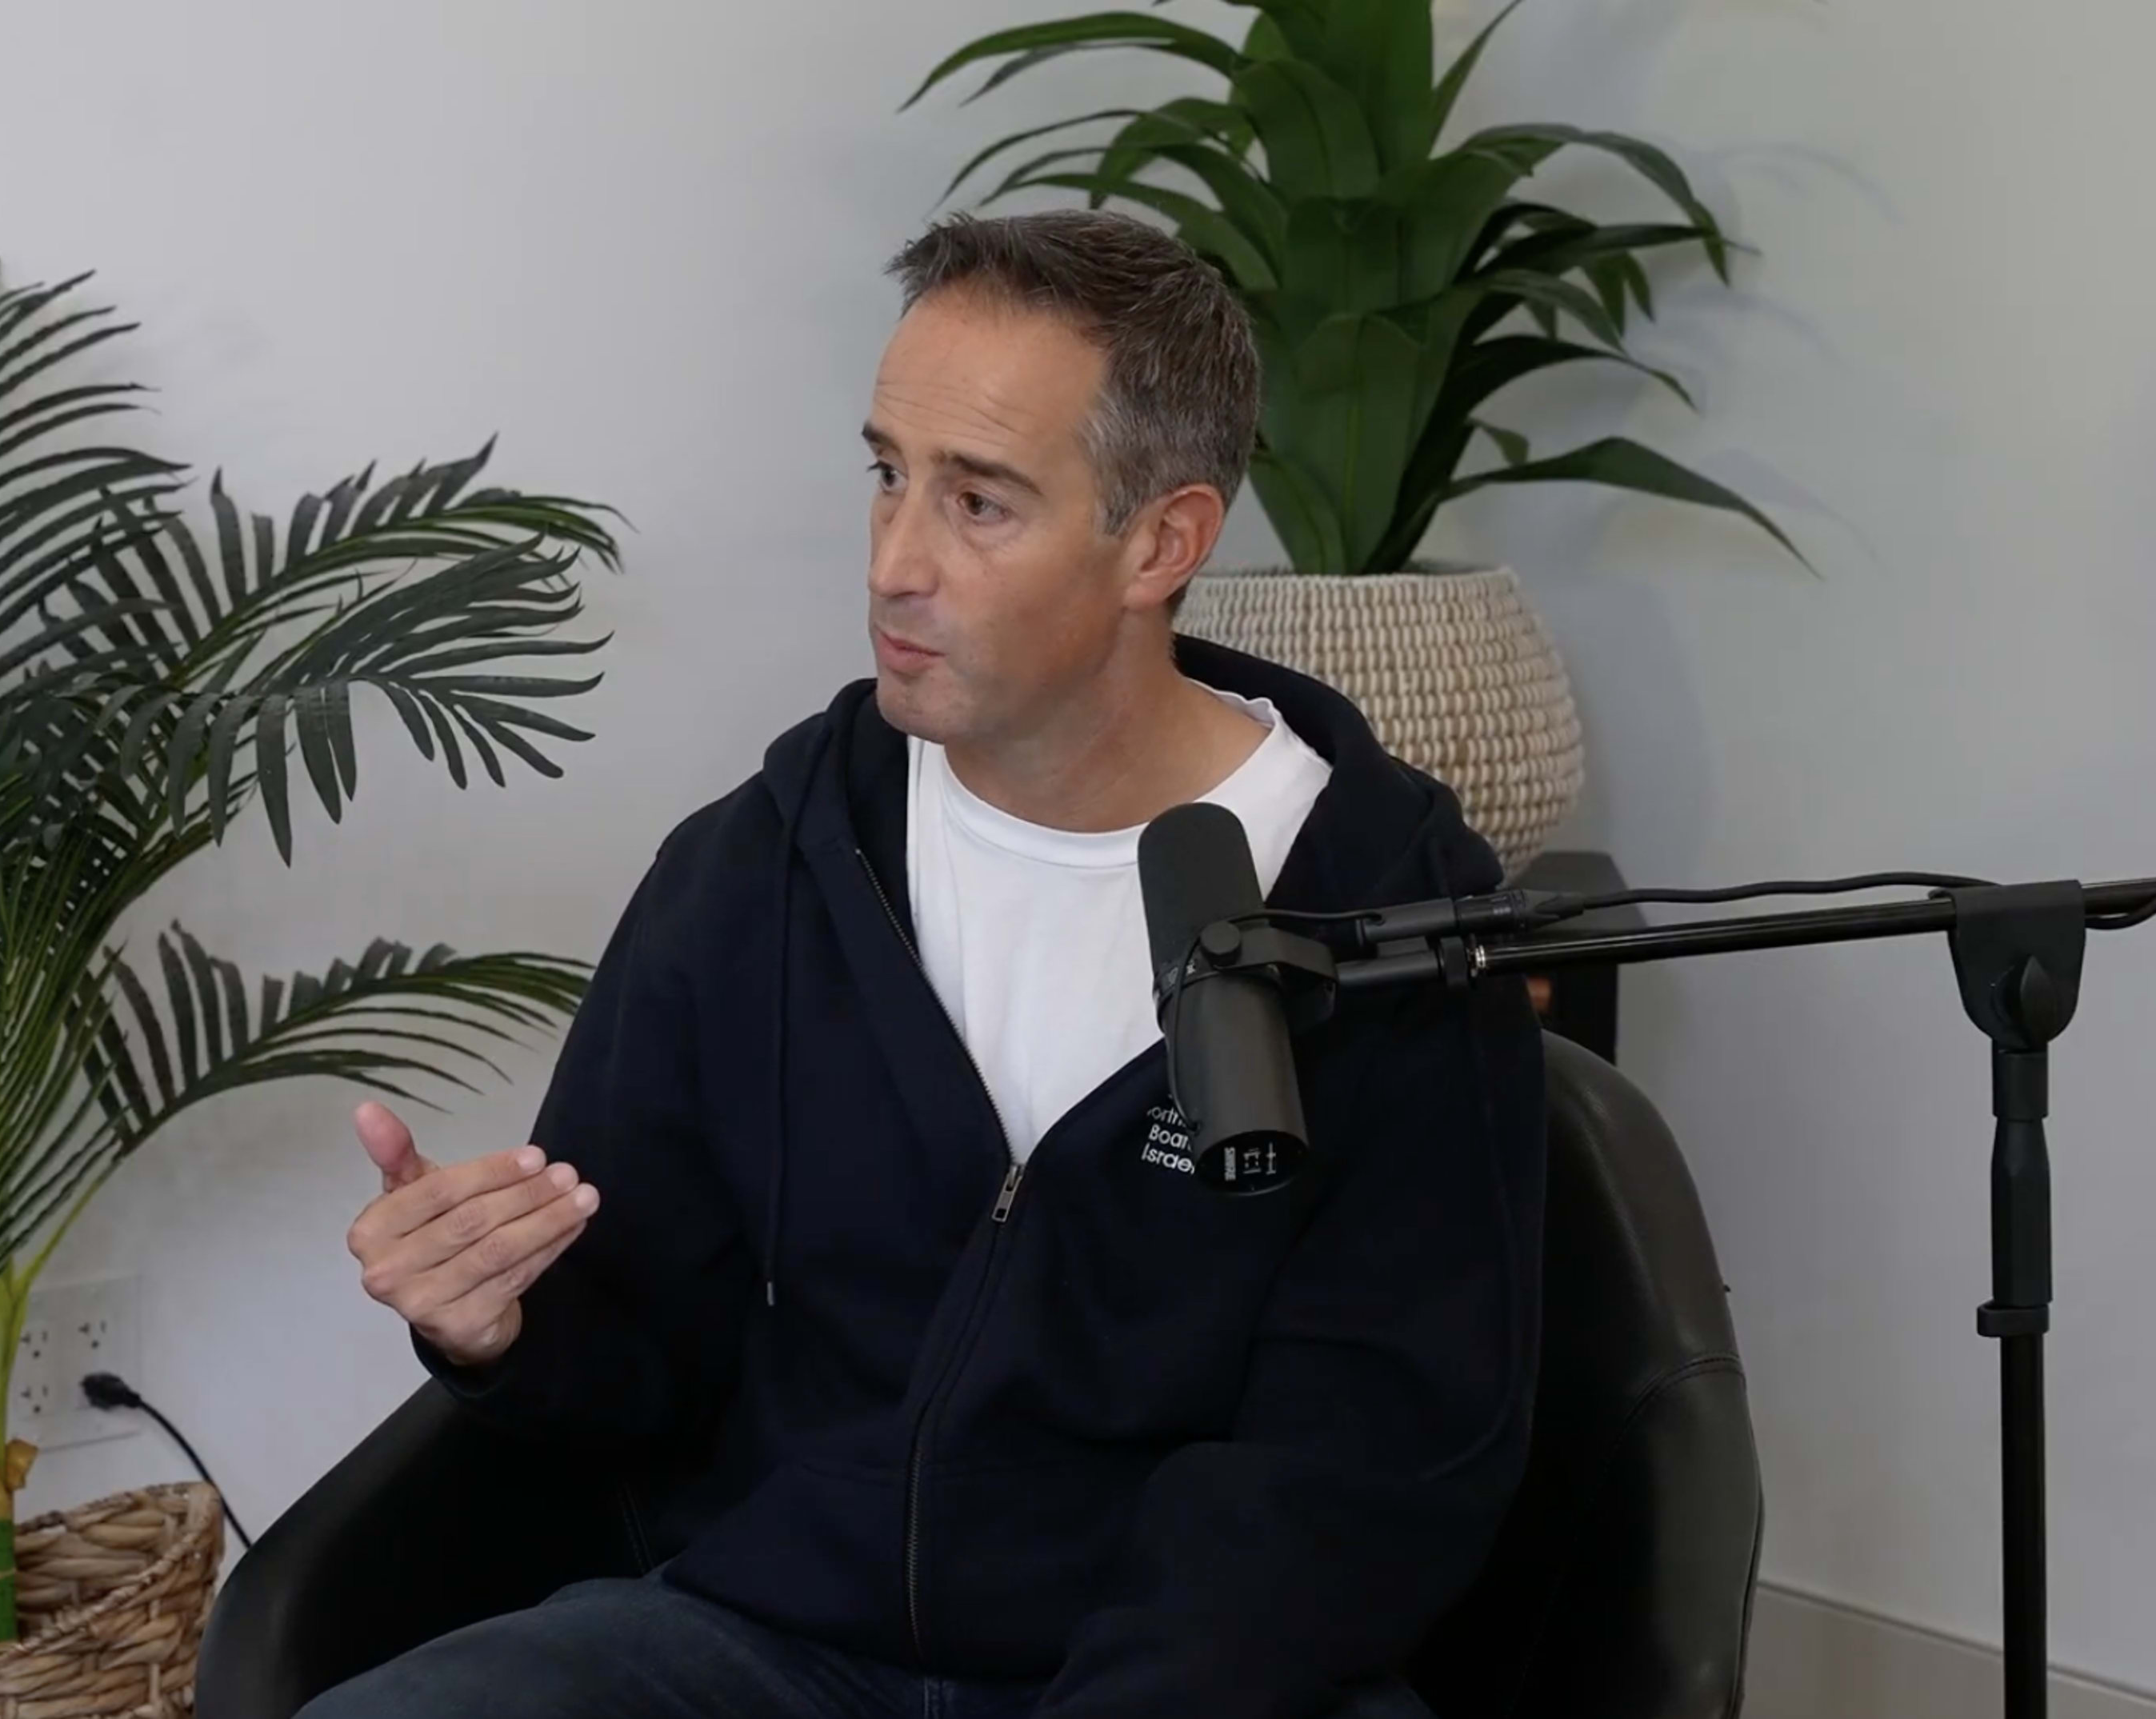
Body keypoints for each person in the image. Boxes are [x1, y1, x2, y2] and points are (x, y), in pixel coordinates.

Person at [314, 210, 1548, 1719]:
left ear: (1163, 541)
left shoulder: (1385, 916)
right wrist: (497, 1323)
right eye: (888, 474)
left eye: (980, 504)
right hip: (772, 1638)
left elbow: (1366, 1462)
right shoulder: (759, 867)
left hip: (1203, 1675)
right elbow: (643, 1368)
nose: (897, 562)